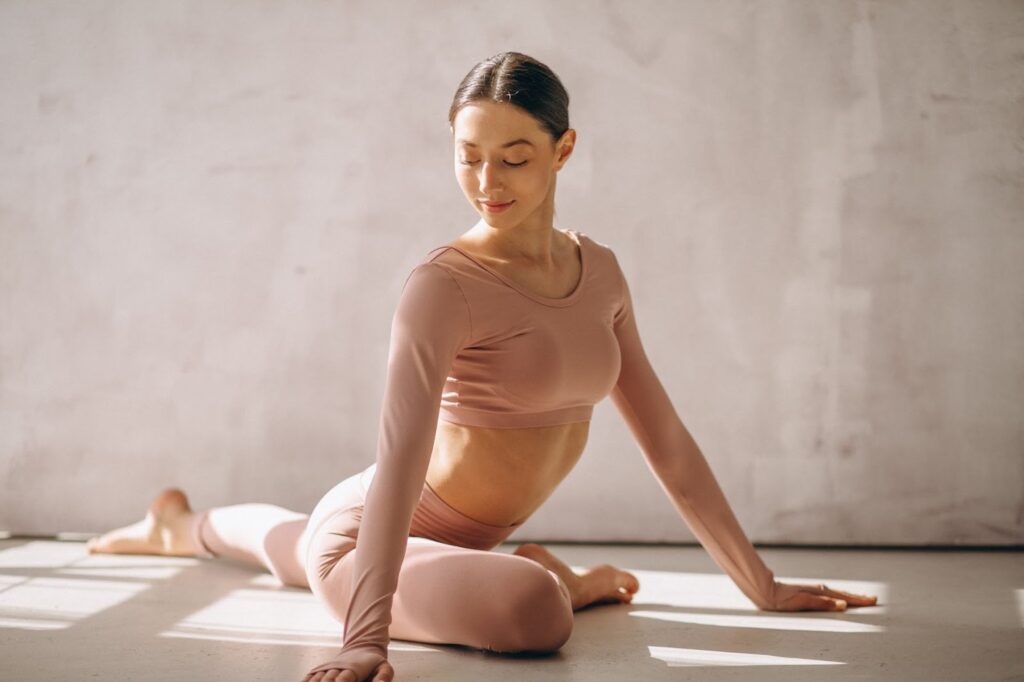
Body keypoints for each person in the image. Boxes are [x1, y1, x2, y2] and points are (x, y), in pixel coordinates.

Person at [87, 51, 879, 682]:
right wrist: (365, 641)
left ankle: (178, 524)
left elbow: (666, 440)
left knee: (289, 545)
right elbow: (399, 459)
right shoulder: (443, 284)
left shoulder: (599, 270)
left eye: (515, 158)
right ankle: (549, 580)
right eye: (469, 157)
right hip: (374, 530)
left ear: (564, 150)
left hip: (454, 543)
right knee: (524, 610)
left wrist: (760, 585)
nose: (487, 183)